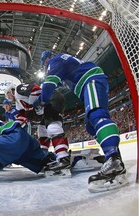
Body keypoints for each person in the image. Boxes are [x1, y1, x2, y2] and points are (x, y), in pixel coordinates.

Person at [39, 50, 128, 192]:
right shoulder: (64, 60)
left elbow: (49, 84)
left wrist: (42, 101)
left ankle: (114, 161)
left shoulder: (53, 61)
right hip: (91, 80)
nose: (46, 66)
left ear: (46, 60)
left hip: (90, 80)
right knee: (91, 126)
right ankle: (115, 159)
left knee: (96, 116)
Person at [4, 83, 70, 172]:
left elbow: (36, 89)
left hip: (51, 98)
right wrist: (13, 127)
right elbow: (21, 116)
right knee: (42, 129)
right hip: (47, 105)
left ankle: (63, 157)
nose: (8, 99)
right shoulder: (18, 104)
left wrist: (35, 103)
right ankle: (45, 156)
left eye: (8, 95)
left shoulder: (18, 90)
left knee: (52, 127)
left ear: (10, 91)